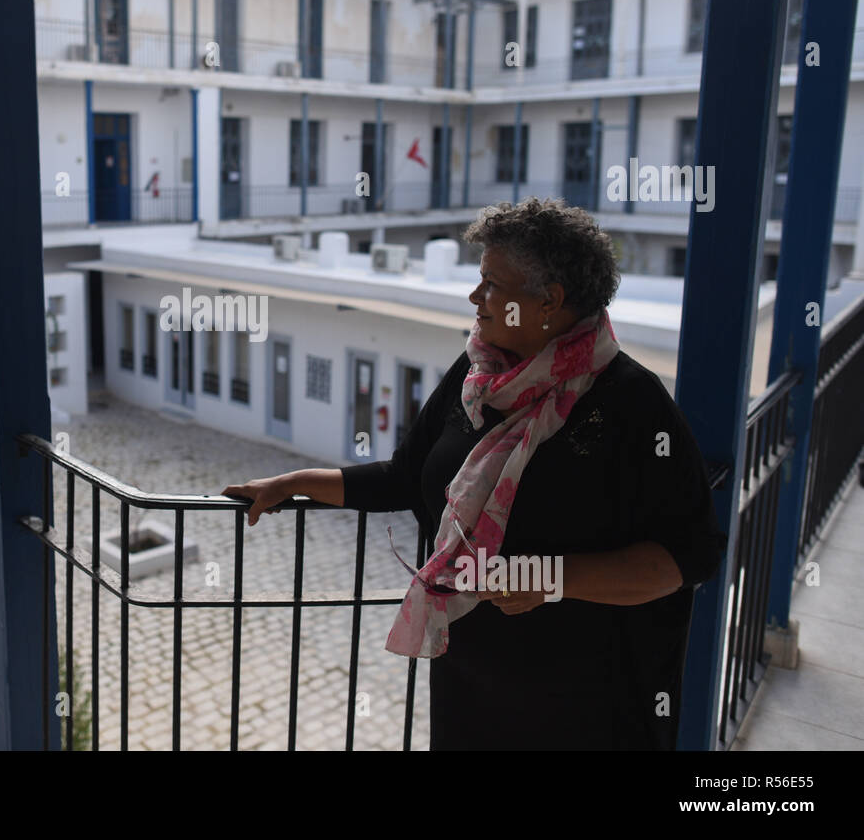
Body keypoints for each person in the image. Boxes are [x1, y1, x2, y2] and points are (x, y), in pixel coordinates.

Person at [221, 198, 726, 749]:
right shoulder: (478, 372)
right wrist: (292, 484)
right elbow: (404, 475)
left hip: (583, 705)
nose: (474, 297)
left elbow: (685, 558)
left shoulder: (631, 403)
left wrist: (551, 579)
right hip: (471, 686)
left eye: (491, 284)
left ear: (548, 301)